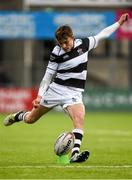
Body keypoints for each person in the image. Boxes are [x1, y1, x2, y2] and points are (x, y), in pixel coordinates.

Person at [4, 13, 129, 163]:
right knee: (31, 119)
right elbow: (48, 76)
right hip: (56, 90)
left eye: (66, 42)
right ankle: (17, 116)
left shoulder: (85, 44)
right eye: (61, 43)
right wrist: (39, 96)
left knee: (79, 119)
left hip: (74, 93)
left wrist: (119, 23)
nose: (64, 46)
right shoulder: (56, 53)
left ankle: (75, 154)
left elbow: (103, 34)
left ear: (72, 37)